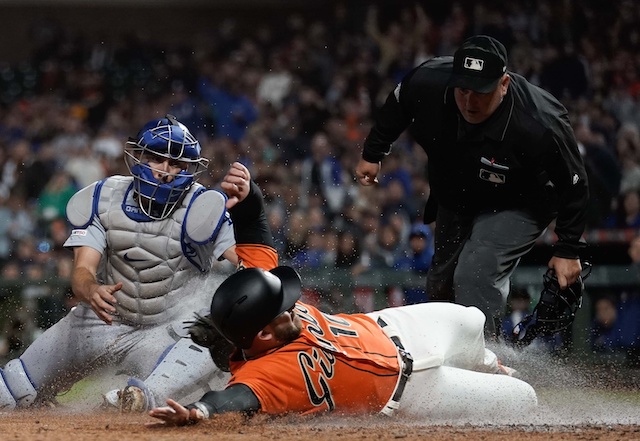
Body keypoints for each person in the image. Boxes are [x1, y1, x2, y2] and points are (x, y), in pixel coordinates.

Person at [0, 115, 277, 410]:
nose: (165, 172)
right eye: (157, 159)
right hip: (100, 320)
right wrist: (91, 289)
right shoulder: (102, 197)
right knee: (11, 389)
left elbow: (252, 268)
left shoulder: (203, 206)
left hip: (166, 330)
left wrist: (250, 212)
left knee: (210, 329)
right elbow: (82, 270)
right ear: (140, 158)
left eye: (176, 164)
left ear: (189, 169)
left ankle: (143, 397)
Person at [355, 35, 589, 336]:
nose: (469, 101)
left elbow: (575, 181)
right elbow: (397, 106)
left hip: (521, 200)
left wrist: (569, 248)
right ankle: (448, 363)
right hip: (459, 192)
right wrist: (373, 153)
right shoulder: (429, 81)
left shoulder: (538, 120)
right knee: (441, 286)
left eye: (480, 91)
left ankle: (483, 365)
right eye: (463, 89)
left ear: (503, 84)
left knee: (474, 272)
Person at [146, 266, 537, 426]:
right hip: (415, 393)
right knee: (525, 399)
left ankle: (487, 363)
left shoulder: (266, 316)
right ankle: (488, 374)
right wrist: (199, 411)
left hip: (399, 326)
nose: (293, 305)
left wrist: (248, 198)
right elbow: (233, 399)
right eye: (284, 310)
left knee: (473, 319)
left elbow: (257, 242)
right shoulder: (262, 375)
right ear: (263, 335)